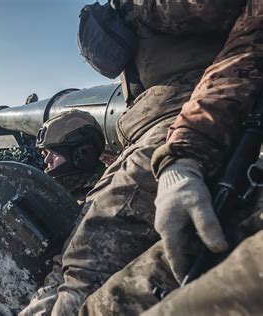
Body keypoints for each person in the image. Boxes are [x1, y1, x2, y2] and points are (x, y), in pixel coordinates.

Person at [49, 1, 251, 315]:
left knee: (87, 264)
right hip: (154, 122)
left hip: (187, 113)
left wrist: (135, 8)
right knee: (71, 255)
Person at [19, 110, 106, 315]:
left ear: (82, 155)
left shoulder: (97, 200)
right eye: (44, 154)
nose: (46, 161)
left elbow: (68, 272)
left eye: (54, 154)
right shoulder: (62, 189)